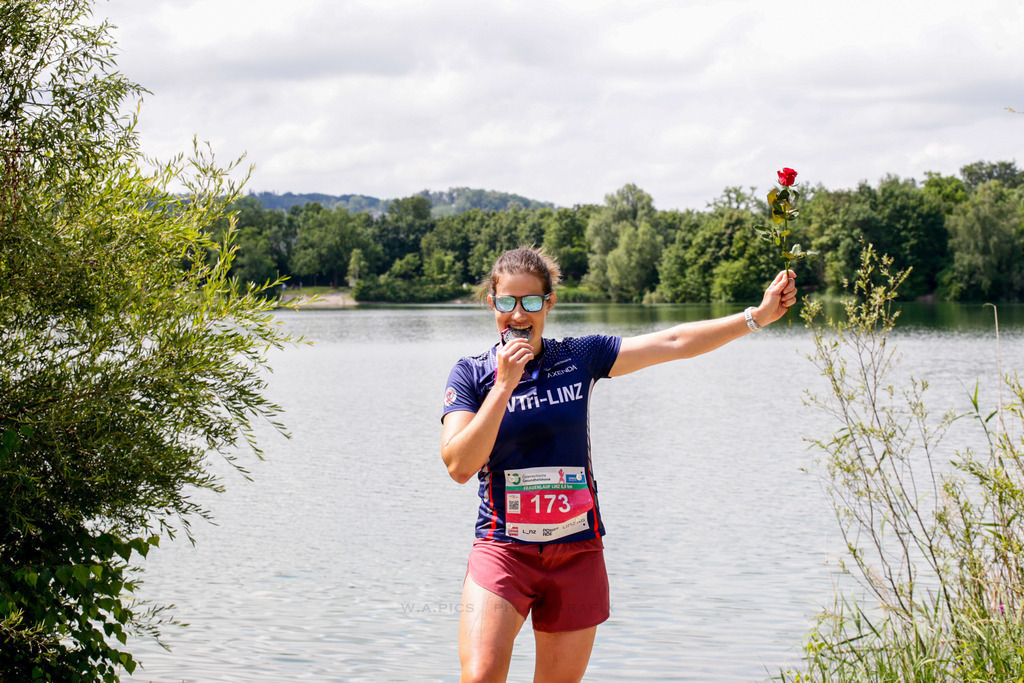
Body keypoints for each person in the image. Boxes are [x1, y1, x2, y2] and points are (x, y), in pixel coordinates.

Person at [441, 246, 797, 682]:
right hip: (503, 549)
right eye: (507, 302)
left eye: (531, 301)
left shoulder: (578, 358)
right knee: (481, 677)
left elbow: (673, 342)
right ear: (492, 304)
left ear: (549, 303)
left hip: (575, 553)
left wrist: (755, 318)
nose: (518, 314)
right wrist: (502, 387)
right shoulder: (471, 374)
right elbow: (458, 464)